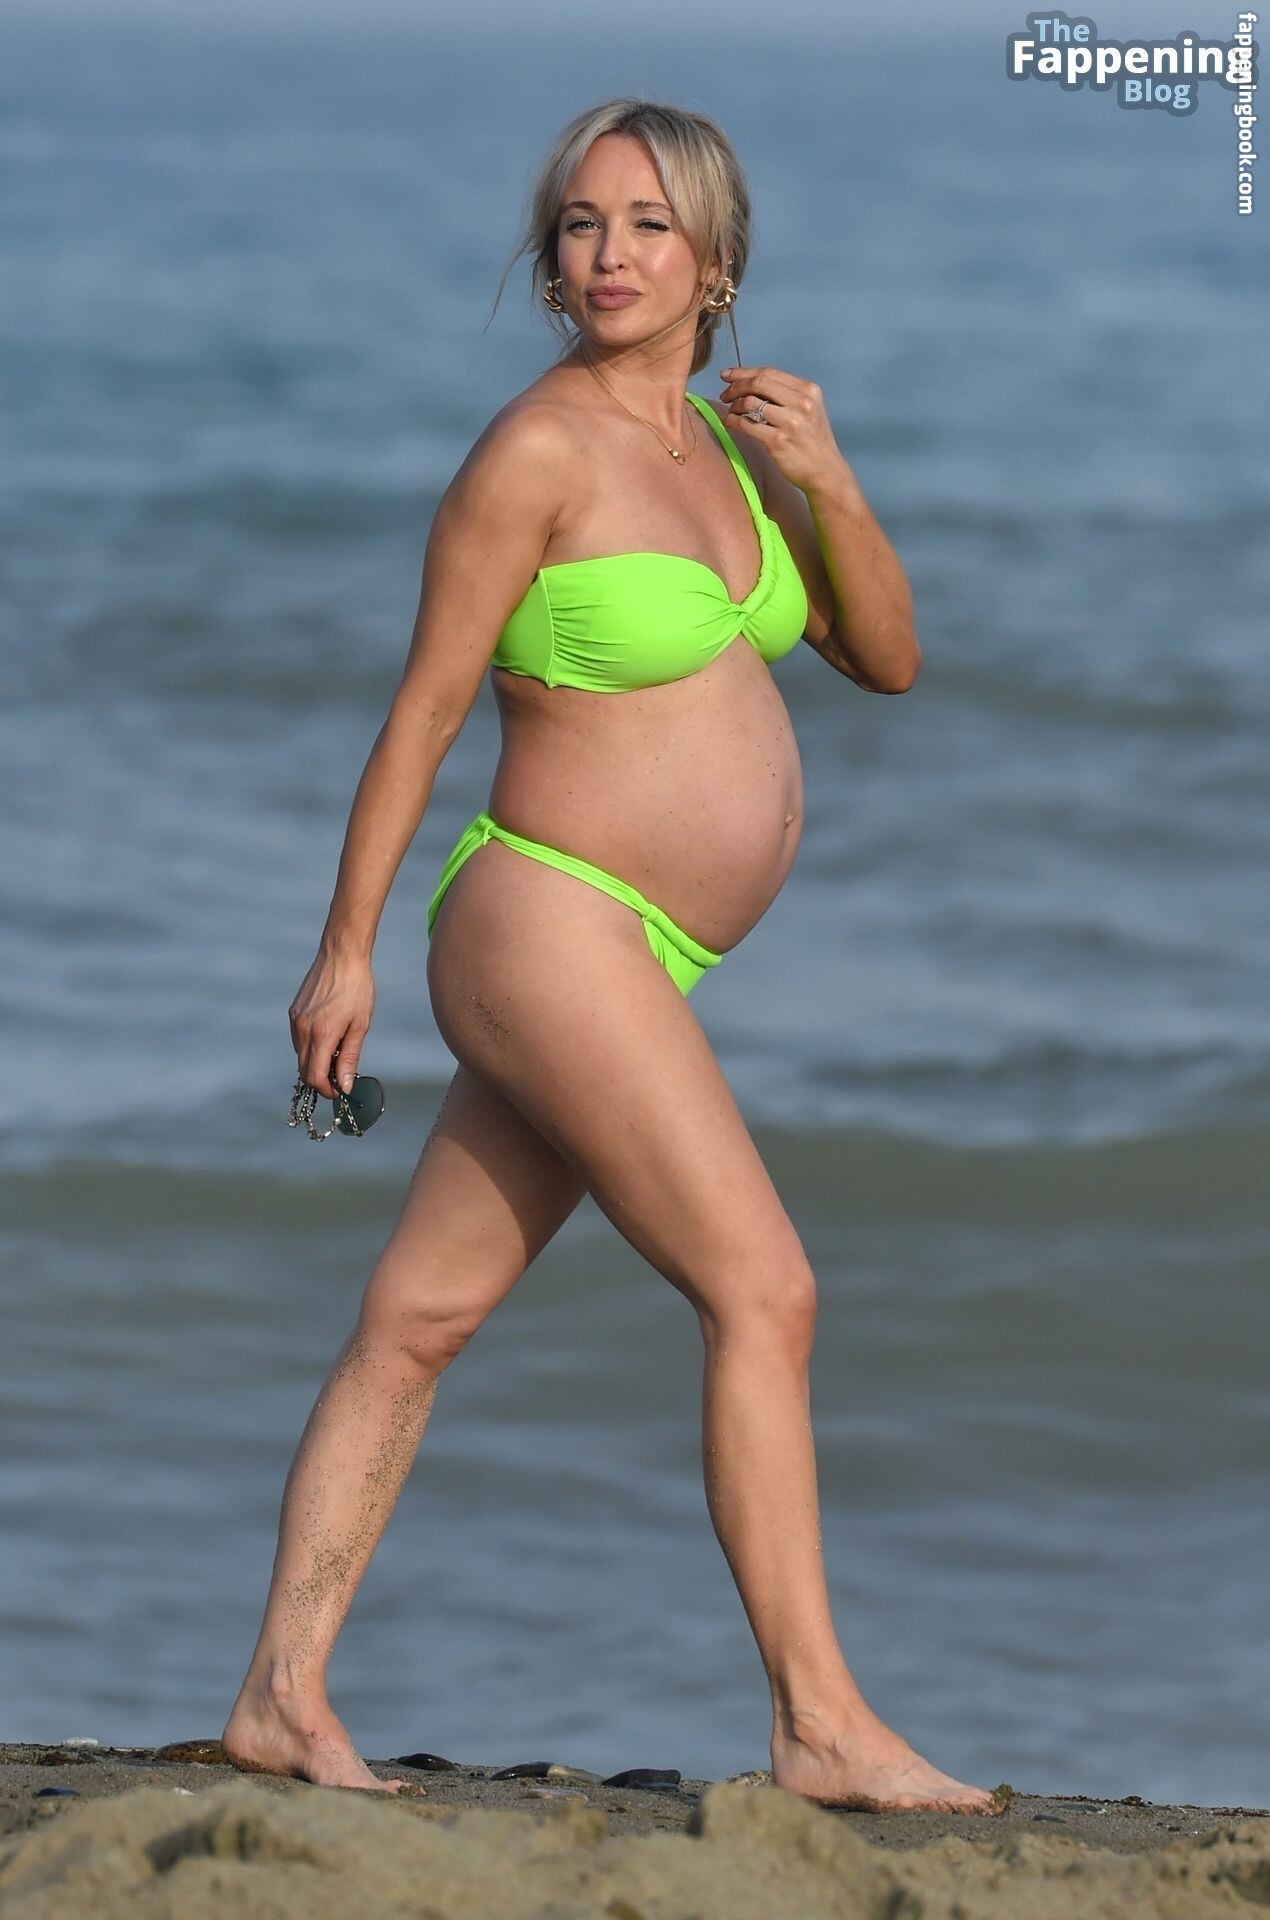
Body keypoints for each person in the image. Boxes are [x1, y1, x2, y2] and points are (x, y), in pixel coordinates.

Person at [222, 97, 1003, 1818]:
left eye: (647, 225)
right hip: (545, 914)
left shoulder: (730, 450)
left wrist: (829, 480)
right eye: (580, 224)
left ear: (716, 263)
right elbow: (424, 711)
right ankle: (818, 1721)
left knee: (418, 1316)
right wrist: (344, 950)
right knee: (763, 1290)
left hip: (639, 951)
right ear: (547, 259)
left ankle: (277, 1697)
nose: (609, 255)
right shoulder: (536, 453)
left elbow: (884, 659)